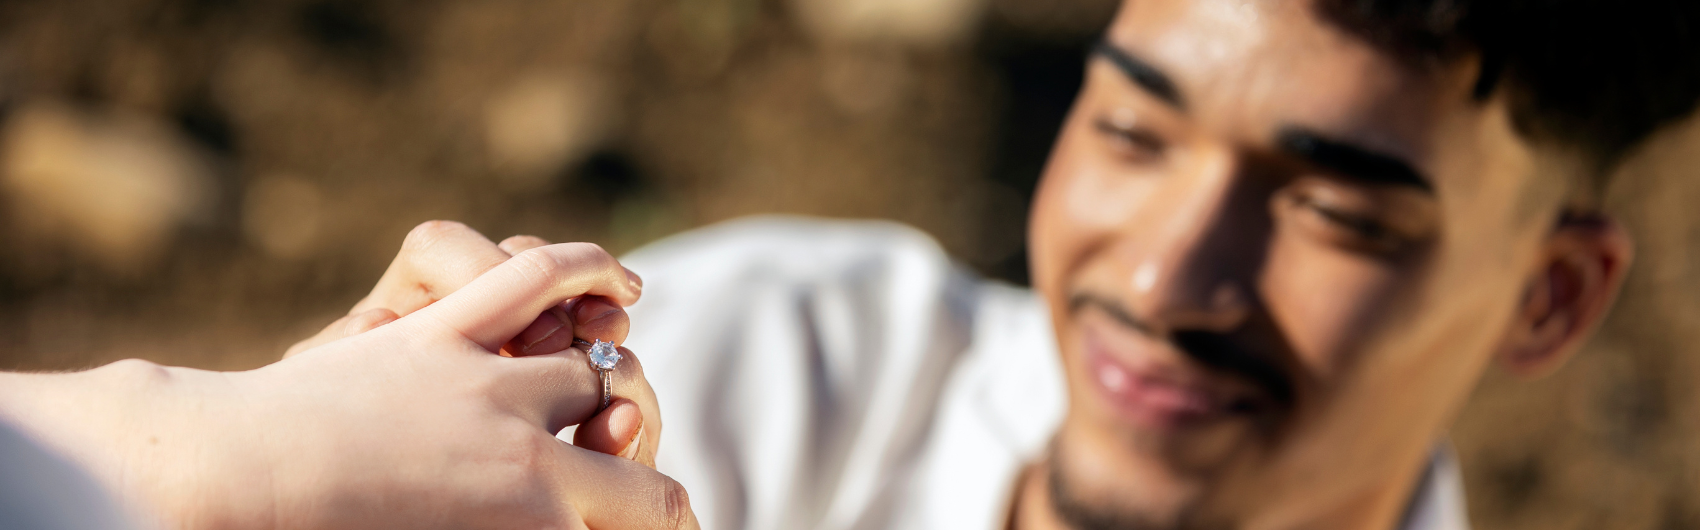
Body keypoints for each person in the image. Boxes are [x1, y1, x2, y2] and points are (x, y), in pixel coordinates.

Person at [3, 0, 1699, 529]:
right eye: (1130, 126)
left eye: (1336, 210)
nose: (1167, 271)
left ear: (1551, 294)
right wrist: (251, 459)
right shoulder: (755, 366)